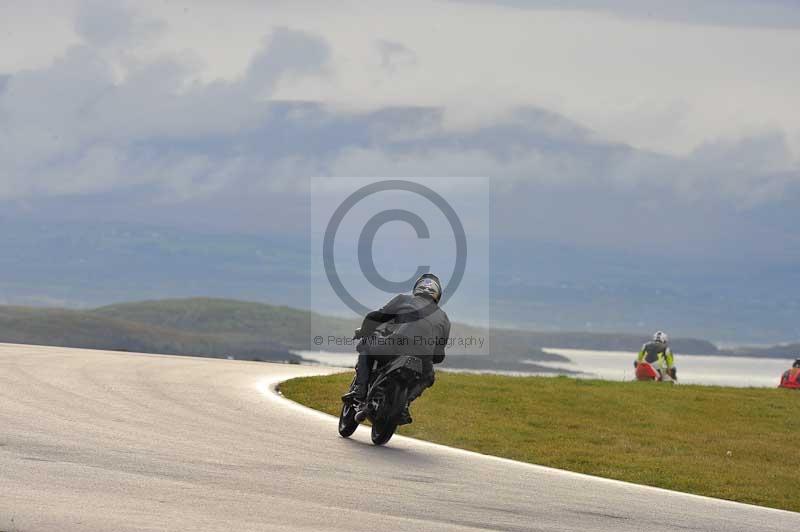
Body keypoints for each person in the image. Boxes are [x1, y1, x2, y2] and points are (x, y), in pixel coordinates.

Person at [342, 273, 451, 423]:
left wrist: (363, 332)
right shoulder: (444, 318)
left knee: (366, 345)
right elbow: (439, 356)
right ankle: (405, 404)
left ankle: (359, 390)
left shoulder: (404, 299)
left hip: (395, 346)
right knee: (429, 376)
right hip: (423, 360)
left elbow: (377, 316)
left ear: (417, 288)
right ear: (437, 294)